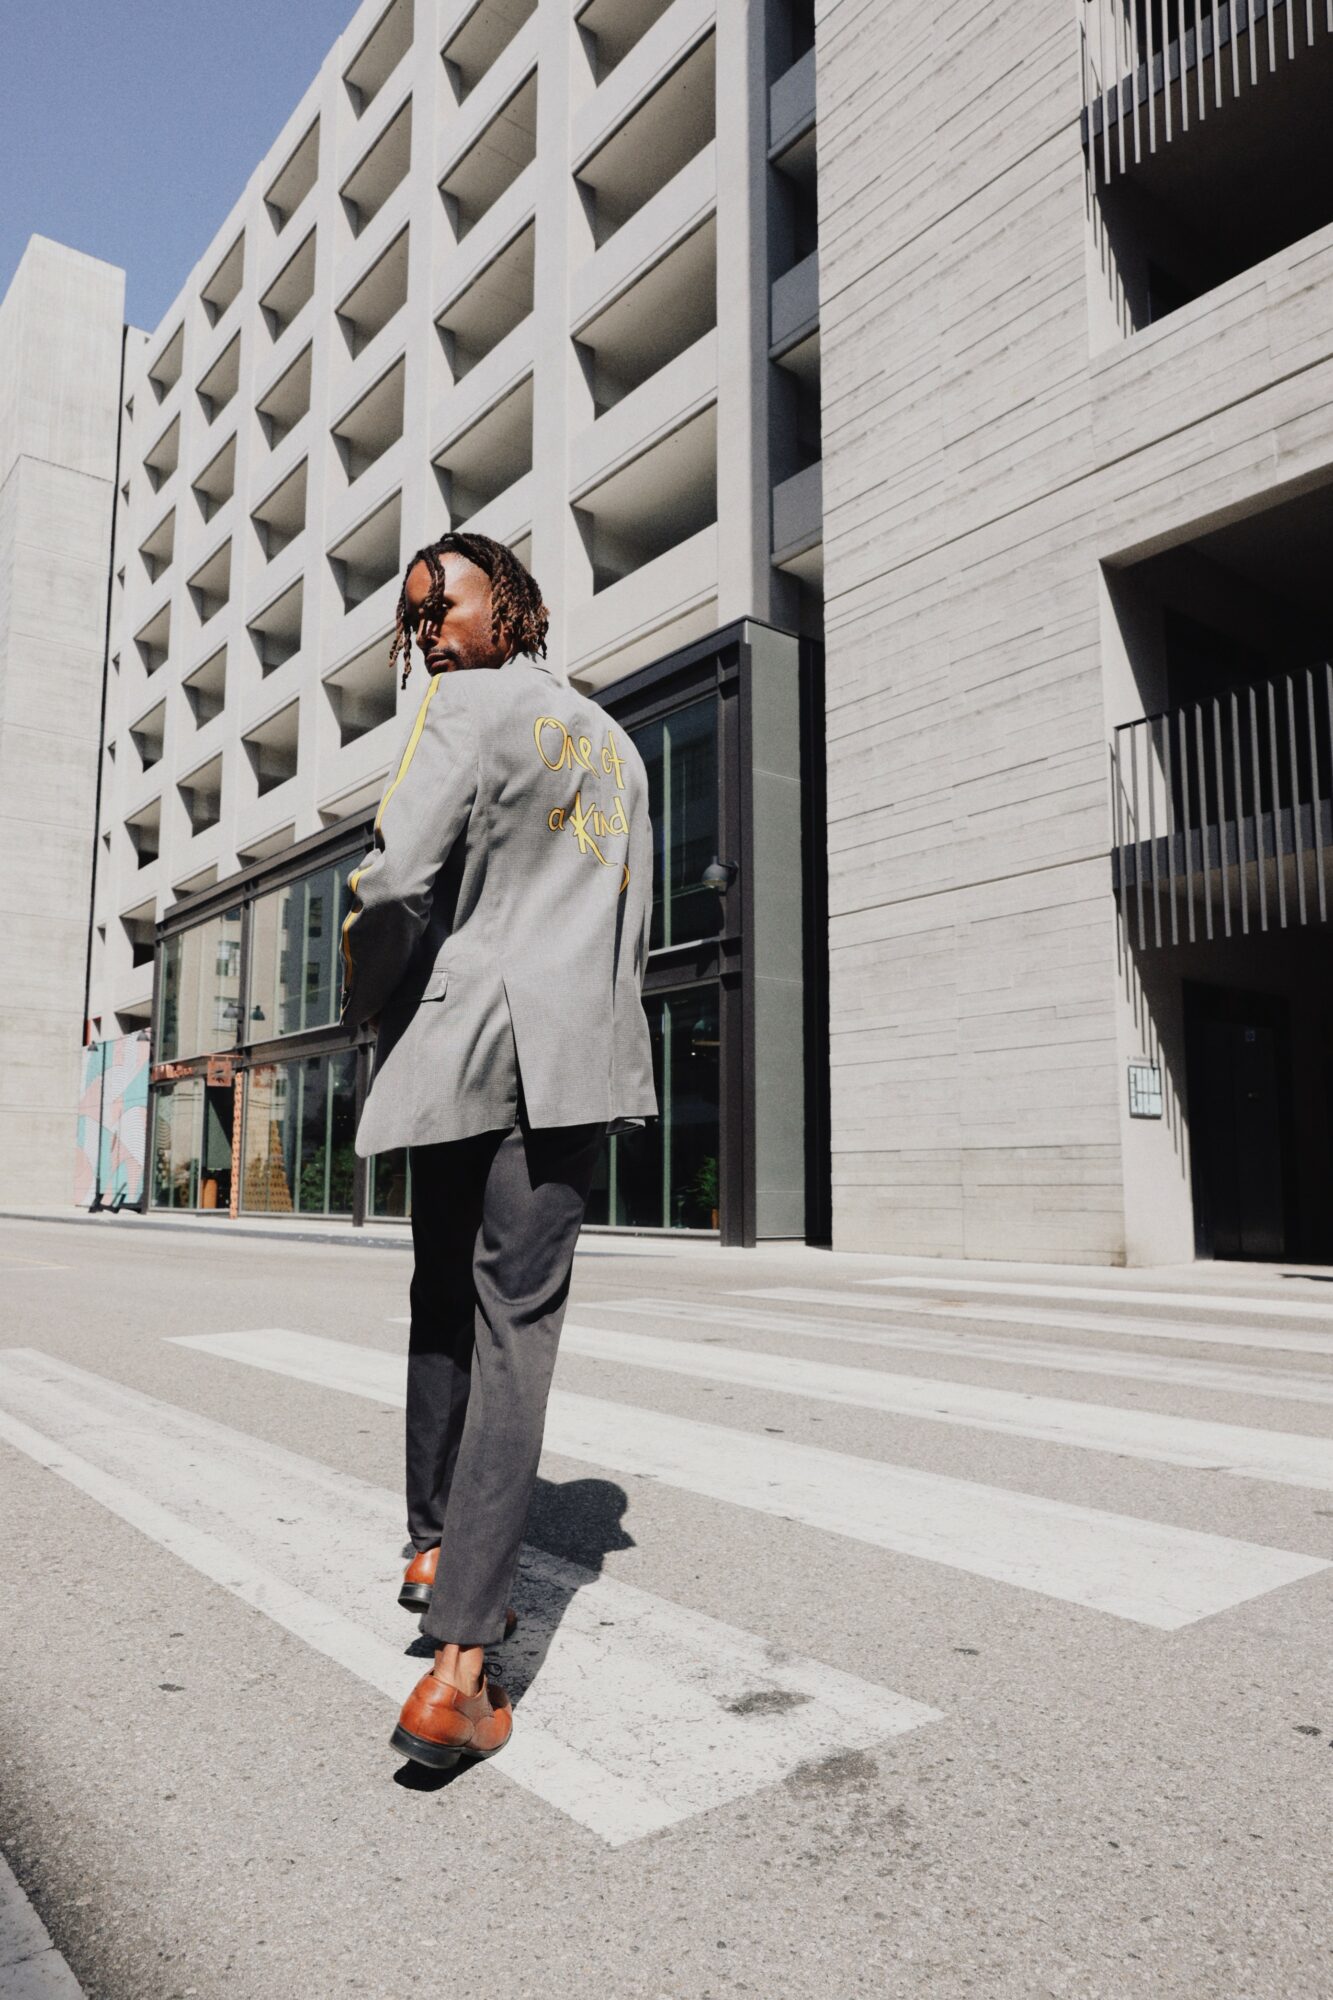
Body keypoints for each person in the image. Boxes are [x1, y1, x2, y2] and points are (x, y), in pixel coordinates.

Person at [338, 531, 657, 1771]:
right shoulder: (621, 748)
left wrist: (376, 1006)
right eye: (413, 613)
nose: (424, 626)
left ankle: (452, 1638)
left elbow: (395, 883)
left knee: (448, 1300)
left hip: (465, 1050)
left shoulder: (460, 705)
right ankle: (453, 1603)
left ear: (508, 606)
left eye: (443, 601)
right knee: (504, 1327)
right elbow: (627, 926)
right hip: (567, 1061)